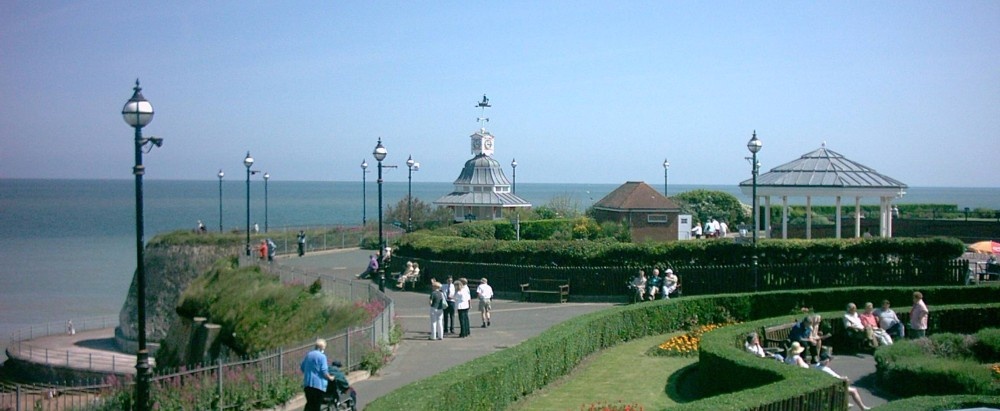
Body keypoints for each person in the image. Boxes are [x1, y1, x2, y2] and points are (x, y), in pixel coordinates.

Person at [300, 338, 334, 411]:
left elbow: (302, 367)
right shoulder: (322, 357)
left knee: (309, 404)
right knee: (316, 406)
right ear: (321, 347)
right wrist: (330, 378)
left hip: (308, 384)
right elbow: (324, 371)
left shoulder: (309, 354)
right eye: (324, 347)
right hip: (318, 385)